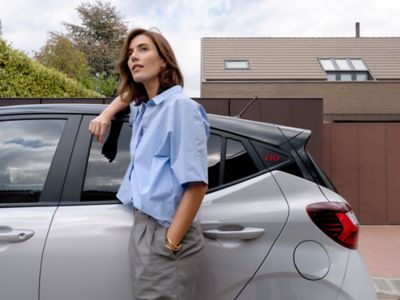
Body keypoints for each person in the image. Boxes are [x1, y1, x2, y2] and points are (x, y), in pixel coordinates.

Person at [89, 28, 209, 300]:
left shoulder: (180, 108)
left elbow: (196, 185)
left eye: (143, 49)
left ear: (164, 60)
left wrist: (169, 244)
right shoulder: (147, 109)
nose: (134, 57)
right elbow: (127, 97)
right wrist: (106, 114)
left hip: (164, 230)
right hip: (146, 227)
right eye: (130, 53)